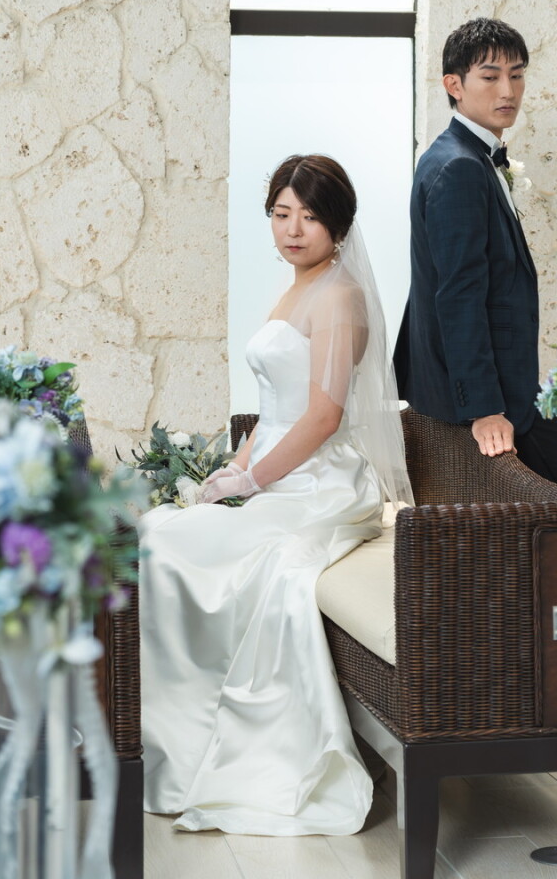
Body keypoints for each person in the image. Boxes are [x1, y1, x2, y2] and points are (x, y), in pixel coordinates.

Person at [139, 153, 412, 835]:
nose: (293, 229)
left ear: (337, 226)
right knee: (161, 533)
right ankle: (177, 739)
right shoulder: (296, 288)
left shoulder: (340, 296)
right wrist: (230, 472)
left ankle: (217, 748)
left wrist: (251, 481)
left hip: (322, 482)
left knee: (172, 543)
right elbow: (273, 409)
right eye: (282, 214)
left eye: (310, 217)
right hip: (278, 470)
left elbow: (321, 417)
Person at [393, 17, 557, 484]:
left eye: (517, 74)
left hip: (509, 389)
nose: (508, 90)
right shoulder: (459, 168)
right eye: (490, 77)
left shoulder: (461, 156)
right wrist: (485, 408)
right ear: (454, 85)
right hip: (492, 403)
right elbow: (458, 294)